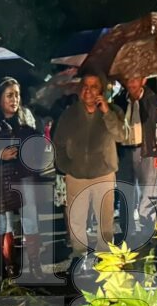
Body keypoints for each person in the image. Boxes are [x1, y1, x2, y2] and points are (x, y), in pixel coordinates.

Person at [0, 77, 49, 280]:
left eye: (17, 94)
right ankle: (10, 265)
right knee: (4, 222)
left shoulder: (26, 116)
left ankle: (34, 263)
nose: (14, 99)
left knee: (30, 217)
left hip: (23, 175)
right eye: (9, 95)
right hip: (0, 177)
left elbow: (37, 142)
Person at [53, 71, 125, 271]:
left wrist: (107, 112)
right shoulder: (69, 114)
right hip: (76, 175)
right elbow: (58, 143)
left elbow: (122, 135)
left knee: (105, 219)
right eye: (85, 85)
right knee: (76, 218)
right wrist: (66, 166)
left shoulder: (114, 110)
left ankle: (105, 255)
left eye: (94, 86)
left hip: (104, 173)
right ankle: (79, 254)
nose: (89, 90)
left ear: (102, 90)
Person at [112, 76, 157, 242]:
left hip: (147, 150)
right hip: (124, 151)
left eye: (135, 79)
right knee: (125, 191)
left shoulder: (154, 100)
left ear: (143, 80)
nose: (131, 83)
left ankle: (147, 230)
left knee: (147, 192)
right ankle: (127, 231)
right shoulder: (118, 100)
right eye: (129, 79)